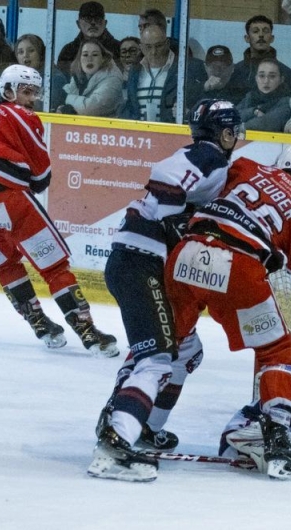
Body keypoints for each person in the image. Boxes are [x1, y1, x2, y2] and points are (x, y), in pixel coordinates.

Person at [161, 145, 291, 480]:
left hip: (186, 250)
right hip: (237, 265)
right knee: (276, 350)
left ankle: (137, 424)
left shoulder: (245, 166)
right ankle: (279, 444)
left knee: (170, 345)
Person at [88, 99, 246, 483]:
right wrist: (174, 222)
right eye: (234, 133)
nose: (236, 140)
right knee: (157, 359)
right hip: (141, 262)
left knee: (187, 352)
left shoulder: (206, 156)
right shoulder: (208, 156)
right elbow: (165, 179)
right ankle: (115, 442)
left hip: (140, 262)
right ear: (224, 134)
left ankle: (142, 427)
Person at [0, 64, 119, 357]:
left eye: (35, 92)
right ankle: (87, 331)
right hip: (9, 199)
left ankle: (40, 324)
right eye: (26, 91)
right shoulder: (22, 115)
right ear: (7, 92)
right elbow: (42, 175)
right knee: (54, 267)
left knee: (6, 266)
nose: (32, 99)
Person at [119, 21, 206, 123]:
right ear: (141, 48)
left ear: (167, 43)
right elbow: (132, 107)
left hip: (174, 134)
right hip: (141, 135)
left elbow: (203, 104)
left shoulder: (189, 67)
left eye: (158, 46)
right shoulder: (135, 71)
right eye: (148, 47)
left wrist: (190, 113)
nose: (154, 51)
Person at [232, 15, 291, 100]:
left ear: (272, 38)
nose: (261, 35)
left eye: (266, 31)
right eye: (255, 31)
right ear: (247, 38)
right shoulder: (235, 72)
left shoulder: (288, 75)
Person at [56, 38, 122, 117]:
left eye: (95, 55)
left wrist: (66, 98)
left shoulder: (113, 78)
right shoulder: (79, 77)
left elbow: (91, 108)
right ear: (79, 59)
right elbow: (63, 96)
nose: (89, 59)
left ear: (103, 58)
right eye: (85, 55)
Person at [57, 1, 120, 76]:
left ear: (105, 23)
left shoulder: (118, 49)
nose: (93, 22)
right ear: (78, 24)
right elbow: (63, 80)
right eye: (87, 18)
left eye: (98, 18)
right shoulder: (68, 52)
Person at [236, 57, 291, 132]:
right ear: (256, 78)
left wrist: (240, 128)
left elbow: (269, 123)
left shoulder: (286, 102)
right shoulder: (250, 96)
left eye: (272, 76)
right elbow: (233, 116)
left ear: (281, 79)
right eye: (262, 76)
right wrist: (254, 111)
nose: (266, 81)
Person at [14, 34, 66, 112]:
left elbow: (46, 108)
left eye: (31, 50)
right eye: (21, 52)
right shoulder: (15, 78)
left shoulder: (55, 78)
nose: (25, 55)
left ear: (41, 54)